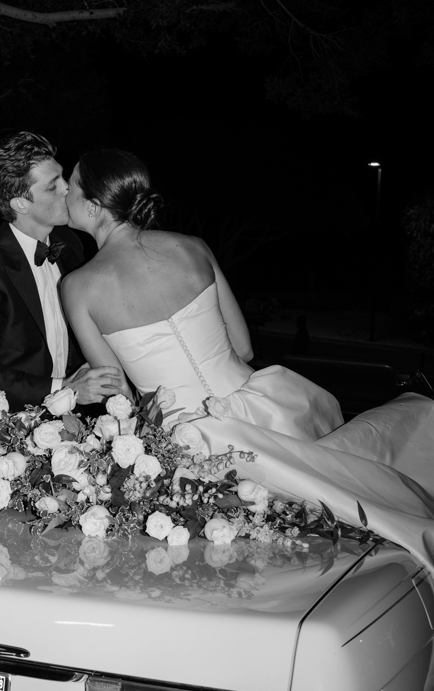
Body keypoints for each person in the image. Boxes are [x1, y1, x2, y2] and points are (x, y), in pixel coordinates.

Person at [61, 149, 434, 569]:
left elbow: (120, 398)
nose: (63, 191)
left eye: (70, 184)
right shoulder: (194, 248)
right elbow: (244, 349)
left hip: (191, 444)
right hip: (269, 411)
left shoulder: (79, 287)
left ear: (93, 206)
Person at [0, 132, 124, 415]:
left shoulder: (72, 245)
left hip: (66, 427)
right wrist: (64, 390)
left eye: (63, 177)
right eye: (53, 187)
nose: (67, 189)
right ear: (20, 204)